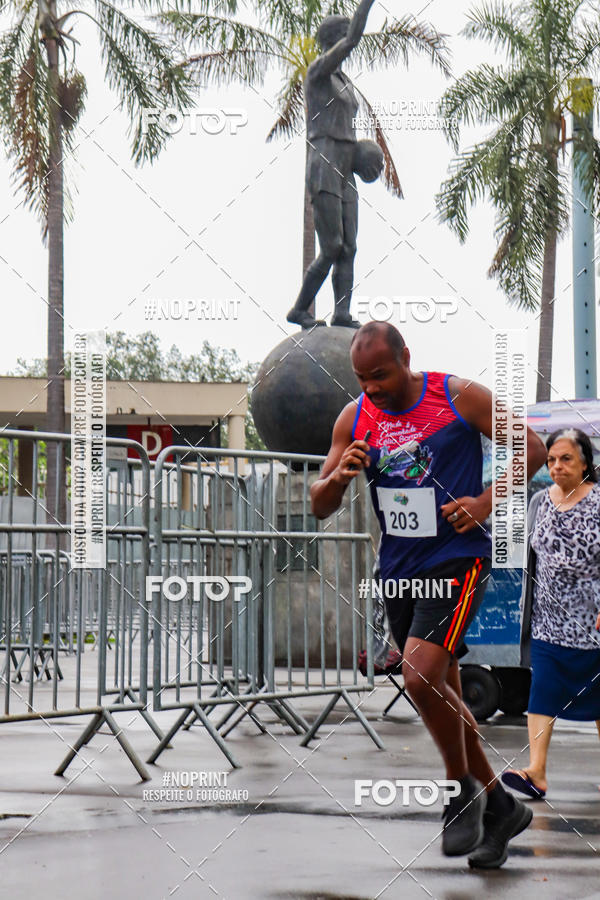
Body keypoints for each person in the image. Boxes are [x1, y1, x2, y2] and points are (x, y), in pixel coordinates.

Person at [310, 321, 547, 867]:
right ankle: (500, 808)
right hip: (399, 570)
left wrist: (486, 501)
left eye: (380, 375)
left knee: (418, 677)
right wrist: (340, 477)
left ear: (406, 358)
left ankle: (458, 790)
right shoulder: (354, 418)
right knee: (442, 695)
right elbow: (320, 503)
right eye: (362, 378)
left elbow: (531, 448)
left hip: (458, 560)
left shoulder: (456, 395)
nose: (371, 387)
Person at [502, 428, 600, 800]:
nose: (557, 466)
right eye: (551, 460)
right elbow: (528, 553)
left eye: (566, 459)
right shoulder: (540, 501)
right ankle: (536, 772)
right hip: (547, 621)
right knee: (542, 690)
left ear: (585, 463)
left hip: (592, 623)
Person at [286, 0, 382, 331]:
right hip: (324, 161)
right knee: (331, 246)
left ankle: (342, 312)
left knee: (349, 246)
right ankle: (299, 309)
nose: (349, 38)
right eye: (344, 32)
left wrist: (364, 154)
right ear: (334, 38)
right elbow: (353, 39)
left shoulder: (345, 81)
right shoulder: (319, 72)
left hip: (345, 166)